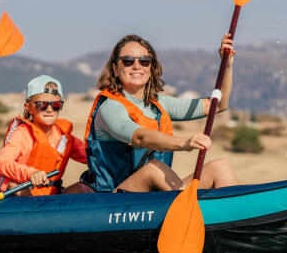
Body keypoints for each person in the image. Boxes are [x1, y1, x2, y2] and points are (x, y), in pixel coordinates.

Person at [83, 33, 240, 193]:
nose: (137, 66)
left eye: (144, 61)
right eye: (128, 61)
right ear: (116, 69)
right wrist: (185, 143)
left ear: (151, 68)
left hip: (153, 197)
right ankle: (187, 205)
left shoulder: (159, 104)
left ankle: (237, 216)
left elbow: (218, 105)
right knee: (154, 169)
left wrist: (227, 65)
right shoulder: (110, 107)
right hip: (115, 200)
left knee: (220, 167)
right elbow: (141, 137)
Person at [0, 75, 93, 196]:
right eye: (42, 105)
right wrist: (30, 174)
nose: (50, 109)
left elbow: (92, 156)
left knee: (90, 186)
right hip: (23, 195)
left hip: (52, 196)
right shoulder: (21, 133)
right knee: (15, 186)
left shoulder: (64, 137)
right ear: (29, 108)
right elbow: (2, 164)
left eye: (56, 105)